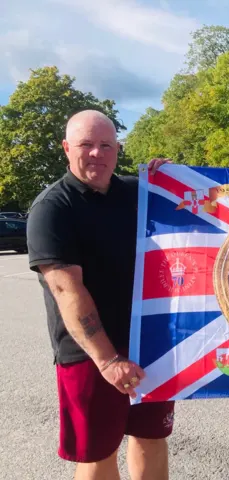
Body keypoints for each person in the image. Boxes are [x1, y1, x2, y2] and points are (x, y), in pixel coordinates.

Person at [26, 110, 173, 480]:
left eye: (105, 144)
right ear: (66, 148)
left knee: (151, 437)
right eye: (86, 144)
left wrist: (172, 180)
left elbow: (189, 212)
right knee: (97, 454)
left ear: (117, 149)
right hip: (90, 355)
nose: (96, 153)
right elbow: (66, 288)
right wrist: (108, 361)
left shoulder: (137, 192)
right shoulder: (52, 209)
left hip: (149, 342)